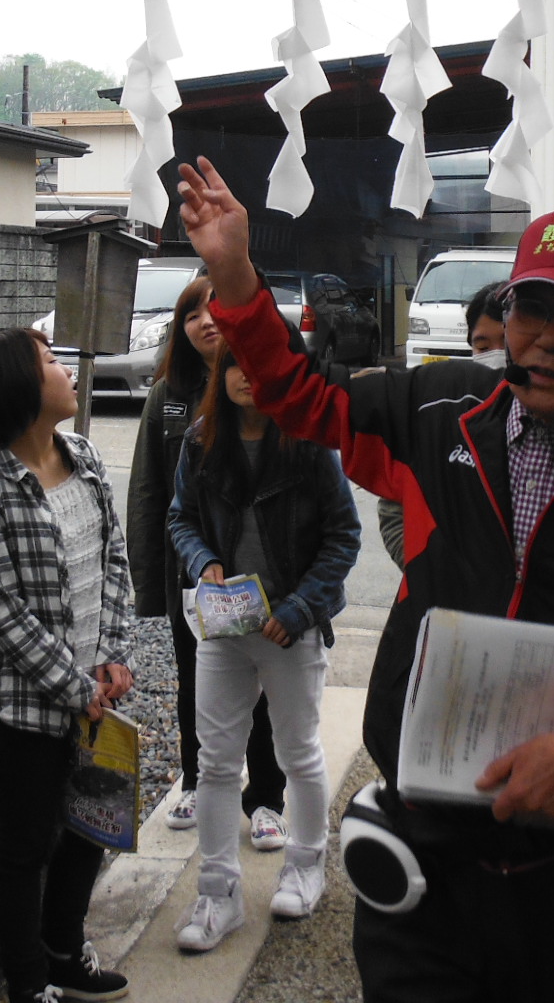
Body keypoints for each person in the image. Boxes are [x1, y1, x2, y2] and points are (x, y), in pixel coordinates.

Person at [176, 158, 554, 1003]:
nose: (546, 338)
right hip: (428, 857)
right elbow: (299, 395)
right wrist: (235, 273)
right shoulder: (435, 413)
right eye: (532, 310)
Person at [0, 328, 135, 1003]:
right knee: (26, 843)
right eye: (51, 362)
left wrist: (115, 654)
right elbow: (3, 615)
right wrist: (76, 688)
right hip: (15, 703)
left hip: (95, 692)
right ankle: (26, 982)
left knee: (92, 828)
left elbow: (115, 561)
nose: (66, 369)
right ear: (21, 392)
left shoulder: (83, 456)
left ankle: (64, 950)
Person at [165, 341, 362, 952]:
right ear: (219, 375)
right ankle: (219, 891)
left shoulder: (306, 443)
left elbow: (344, 534)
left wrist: (302, 607)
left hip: (289, 626)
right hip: (225, 626)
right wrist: (205, 561)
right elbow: (180, 517)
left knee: (298, 750)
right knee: (216, 760)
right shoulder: (201, 441)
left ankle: (306, 865)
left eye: (259, 364)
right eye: (234, 366)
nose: (246, 376)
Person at [125, 277, 290, 847]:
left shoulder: (272, 387)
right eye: (191, 312)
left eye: (214, 307)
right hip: (196, 579)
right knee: (196, 682)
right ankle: (195, 780)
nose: (205, 320)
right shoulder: (169, 396)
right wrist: (153, 587)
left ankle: (267, 796)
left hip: (266, 580)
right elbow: (150, 497)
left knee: (266, 689)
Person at [379, 280, 507, 566]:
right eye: (483, 346)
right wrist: (427, 571)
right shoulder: (438, 413)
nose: (496, 356)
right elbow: (394, 508)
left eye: (507, 344)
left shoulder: (550, 415)